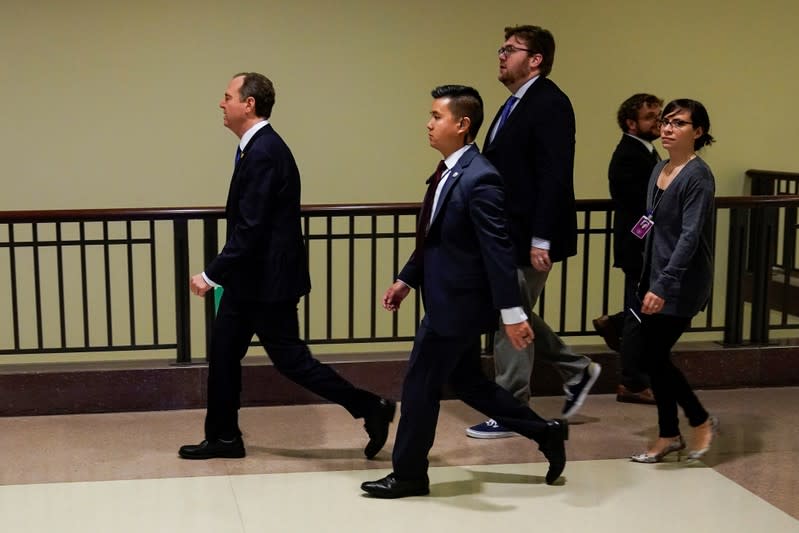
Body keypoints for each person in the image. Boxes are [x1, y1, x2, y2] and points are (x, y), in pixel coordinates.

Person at [360, 85, 568, 499]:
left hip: (457, 306)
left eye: (437, 116)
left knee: (419, 385)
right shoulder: (448, 171)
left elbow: (497, 251)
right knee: (469, 383)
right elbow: (435, 239)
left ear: (462, 124)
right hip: (443, 297)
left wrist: (512, 313)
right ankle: (546, 433)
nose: (429, 123)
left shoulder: (481, 177)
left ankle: (409, 474)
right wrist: (406, 279)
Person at [179, 72, 395, 460]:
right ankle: (224, 437)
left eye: (227, 96)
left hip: (267, 285)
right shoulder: (256, 148)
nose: (221, 103)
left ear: (249, 104)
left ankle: (370, 406)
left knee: (292, 361)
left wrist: (212, 274)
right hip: (252, 282)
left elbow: (252, 228)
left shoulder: (264, 151)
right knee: (224, 353)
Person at [467, 25, 600, 439]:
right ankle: (576, 369)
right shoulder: (514, 105)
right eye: (501, 49)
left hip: (528, 234)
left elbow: (554, 174)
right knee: (509, 308)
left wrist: (541, 237)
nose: (501, 56)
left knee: (511, 313)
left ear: (536, 58)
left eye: (510, 49)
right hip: (507, 232)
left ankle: (511, 408)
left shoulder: (550, 103)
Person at [629, 99, 719, 463]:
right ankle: (670, 432)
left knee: (654, 356)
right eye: (665, 121)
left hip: (681, 282)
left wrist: (663, 285)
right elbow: (649, 221)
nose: (668, 128)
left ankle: (697, 420)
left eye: (678, 123)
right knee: (653, 358)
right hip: (654, 276)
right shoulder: (659, 169)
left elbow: (689, 237)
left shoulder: (698, 177)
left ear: (697, 132)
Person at [593, 94, 663, 405]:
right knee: (640, 314)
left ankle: (615, 323)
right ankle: (633, 381)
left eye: (659, 115)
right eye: (651, 117)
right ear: (631, 123)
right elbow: (642, 208)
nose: (658, 122)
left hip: (642, 245)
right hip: (638, 247)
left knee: (644, 310)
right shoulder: (628, 156)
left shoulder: (645, 152)